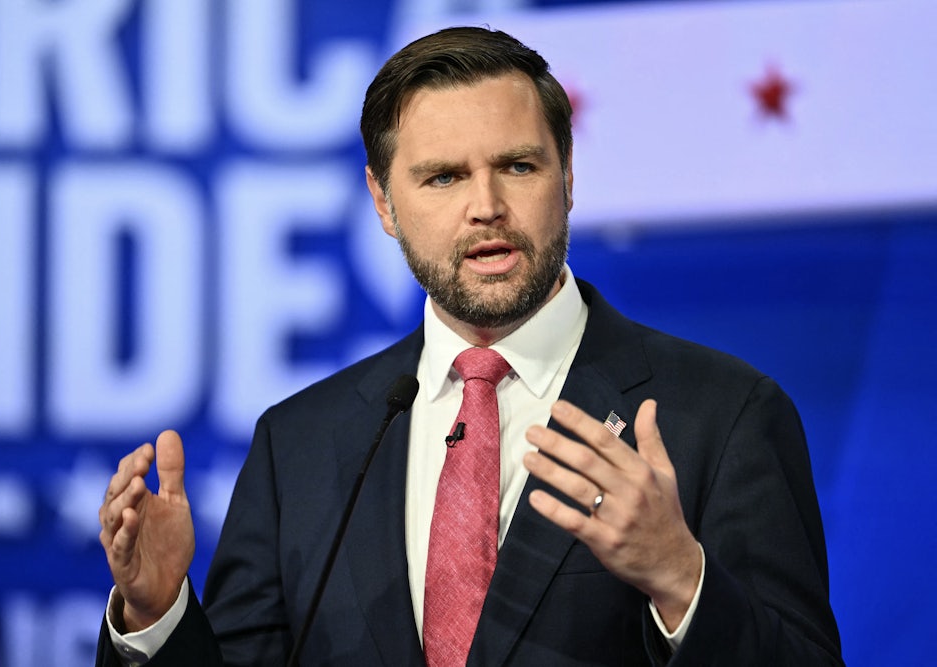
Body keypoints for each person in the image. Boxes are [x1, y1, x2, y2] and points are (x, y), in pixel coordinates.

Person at [96, 26, 843, 666]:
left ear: (569, 177)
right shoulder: (300, 445)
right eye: (443, 177)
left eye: (518, 166)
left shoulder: (722, 414)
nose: (486, 207)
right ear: (384, 202)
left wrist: (683, 580)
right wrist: (158, 615)